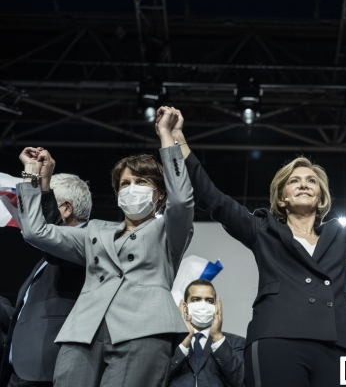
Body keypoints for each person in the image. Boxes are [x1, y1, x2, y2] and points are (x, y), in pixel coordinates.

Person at [169, 109, 346, 387]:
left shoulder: (341, 236)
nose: (304, 184)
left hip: (338, 344)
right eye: (294, 181)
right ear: (282, 197)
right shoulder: (262, 229)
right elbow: (212, 197)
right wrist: (178, 138)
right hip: (277, 340)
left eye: (312, 180)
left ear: (321, 196)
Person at [15, 106, 195, 387]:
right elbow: (35, 231)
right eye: (124, 184)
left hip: (143, 328)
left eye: (141, 181)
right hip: (83, 332)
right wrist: (31, 173)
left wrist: (165, 135)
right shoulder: (95, 231)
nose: (131, 188)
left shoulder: (168, 230)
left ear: (160, 194)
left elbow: (183, 200)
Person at [0, 167, 91, 387]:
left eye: (37, 204)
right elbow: (24, 317)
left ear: (66, 209)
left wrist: (34, 179)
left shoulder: (89, 245)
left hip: (51, 374)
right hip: (21, 374)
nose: (29, 214)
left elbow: (45, 239)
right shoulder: (46, 260)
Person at [168, 279, 245, 387]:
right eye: (196, 300)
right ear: (184, 307)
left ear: (216, 306)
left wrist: (217, 338)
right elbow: (157, 379)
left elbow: (241, 381)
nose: (203, 305)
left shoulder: (236, 342)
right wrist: (184, 343)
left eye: (209, 301)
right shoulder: (168, 343)